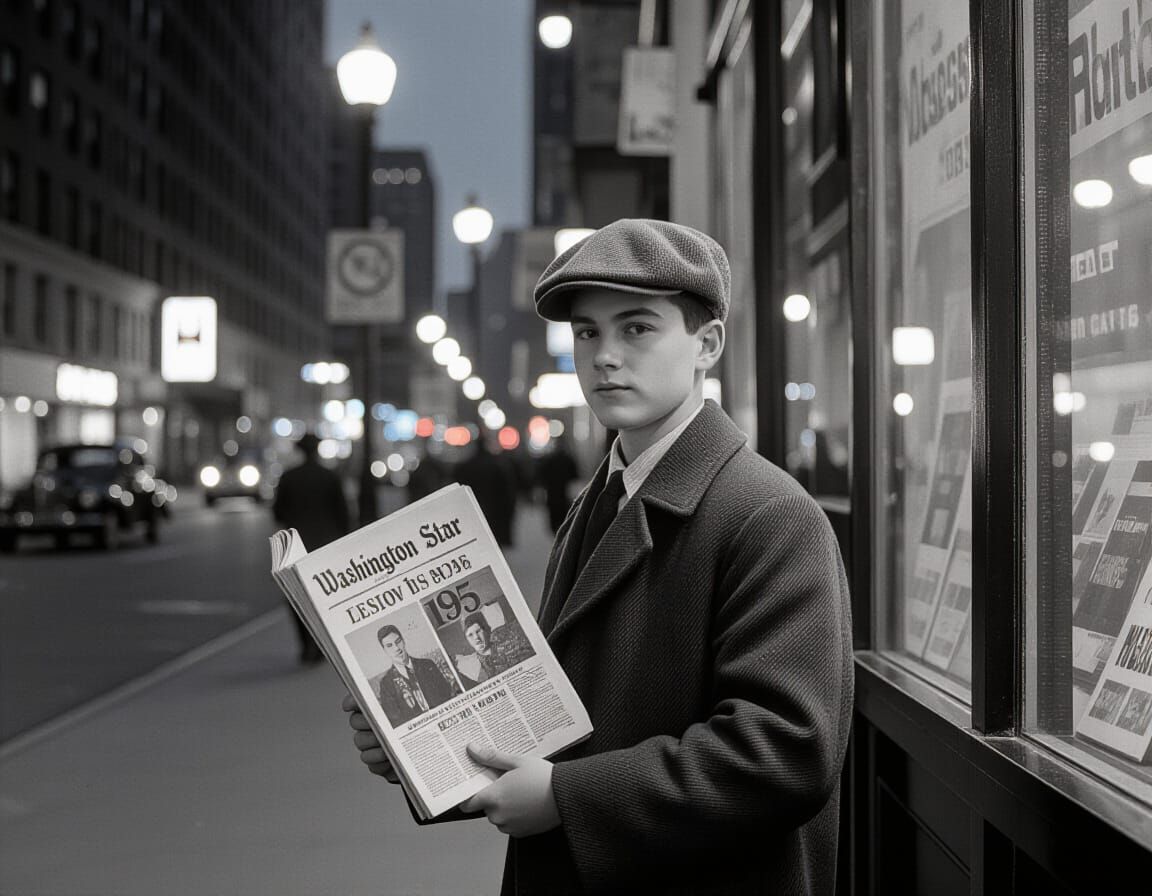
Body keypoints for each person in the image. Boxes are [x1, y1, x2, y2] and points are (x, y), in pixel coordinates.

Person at [343, 219, 854, 894]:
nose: (605, 355)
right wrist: (422, 751)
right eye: (587, 333)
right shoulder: (604, 497)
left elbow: (787, 749)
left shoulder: (769, 514)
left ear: (707, 344)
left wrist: (566, 797)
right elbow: (551, 710)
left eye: (637, 328)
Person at [273, 433, 349, 665]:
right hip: (325, 545)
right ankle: (322, 646)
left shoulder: (288, 477)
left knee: (297, 598)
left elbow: (278, 512)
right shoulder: (330, 477)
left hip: (296, 547)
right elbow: (343, 514)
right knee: (324, 598)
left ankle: (306, 645)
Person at [374, 625, 460, 727]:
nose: (396, 648)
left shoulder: (427, 665)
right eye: (389, 646)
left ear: (403, 641)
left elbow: (447, 696)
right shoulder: (386, 684)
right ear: (384, 650)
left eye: (398, 642)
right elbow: (396, 721)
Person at [454, 433, 518, 547]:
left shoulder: (465, 467)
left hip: (472, 512)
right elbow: (506, 494)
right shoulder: (497, 465)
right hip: (495, 513)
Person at [458, 610, 534, 683]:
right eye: (470, 635)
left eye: (478, 631)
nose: (476, 638)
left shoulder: (508, 642)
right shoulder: (477, 670)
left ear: (487, 630)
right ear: (467, 640)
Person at [536, 435, 582, 534]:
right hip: (563, 496)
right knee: (563, 520)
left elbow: (542, 478)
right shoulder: (568, 459)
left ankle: (557, 536)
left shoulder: (549, 460)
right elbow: (575, 478)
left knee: (554, 520)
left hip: (553, 495)